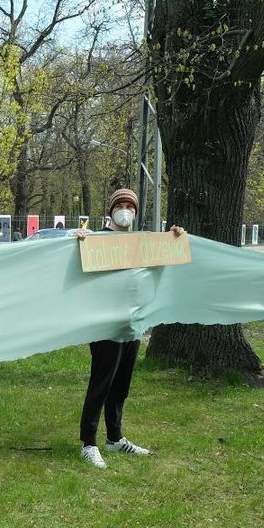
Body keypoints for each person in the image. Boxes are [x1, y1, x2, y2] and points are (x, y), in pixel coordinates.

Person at [76, 188, 186, 469]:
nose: (125, 209)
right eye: (120, 205)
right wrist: (77, 241)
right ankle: (89, 443)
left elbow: (162, 266)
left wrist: (173, 239)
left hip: (133, 325)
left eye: (130, 206)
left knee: (121, 386)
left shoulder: (143, 243)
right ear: (111, 210)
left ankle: (114, 438)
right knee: (101, 384)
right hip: (106, 326)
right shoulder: (96, 240)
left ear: (136, 212)